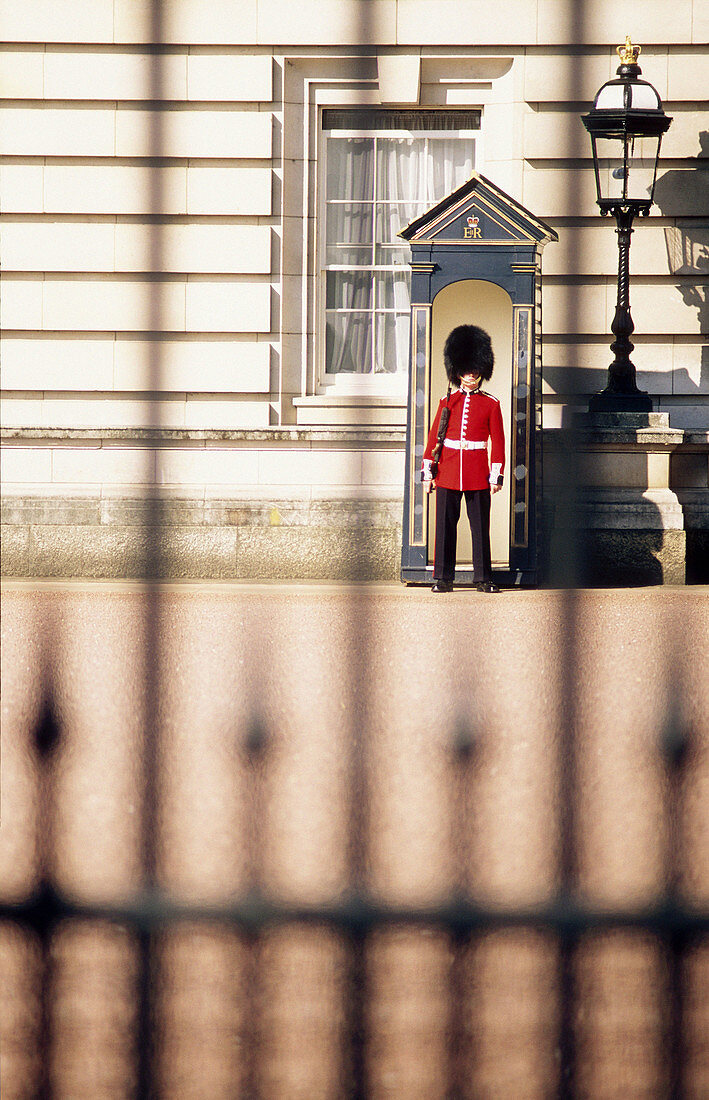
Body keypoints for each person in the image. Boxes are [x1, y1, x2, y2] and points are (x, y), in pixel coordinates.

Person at [422, 325, 505, 593]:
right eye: (467, 369)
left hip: (477, 472)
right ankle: (443, 578)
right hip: (447, 471)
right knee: (445, 528)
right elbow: (435, 439)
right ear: (458, 371)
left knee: (480, 528)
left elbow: (499, 441)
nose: (471, 374)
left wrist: (495, 475)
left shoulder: (491, 404)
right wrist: (428, 473)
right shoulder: (446, 402)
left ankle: (483, 578)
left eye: (475, 369)